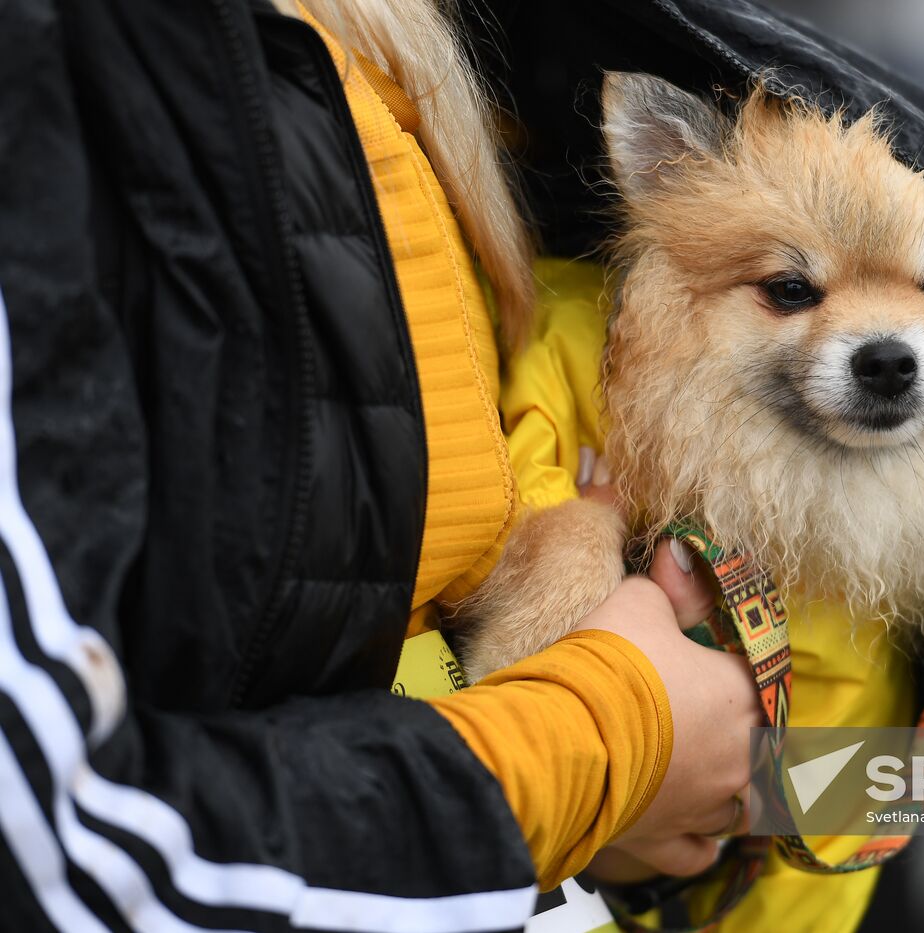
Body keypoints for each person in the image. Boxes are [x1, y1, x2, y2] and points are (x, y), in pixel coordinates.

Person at [0, 0, 761, 930]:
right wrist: (601, 746)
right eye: (788, 292)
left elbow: (880, 779)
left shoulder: (443, 46)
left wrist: (708, 808)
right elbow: (63, 854)